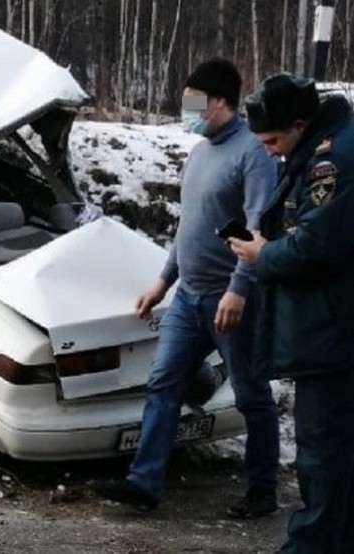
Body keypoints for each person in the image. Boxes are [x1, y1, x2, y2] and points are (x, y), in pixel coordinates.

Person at [90, 58, 281, 518]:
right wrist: (162, 282)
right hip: (188, 297)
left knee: (252, 392)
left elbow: (259, 230)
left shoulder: (252, 153)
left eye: (193, 100)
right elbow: (188, 227)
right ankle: (144, 482)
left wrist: (239, 288)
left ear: (218, 102)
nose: (186, 109)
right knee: (163, 382)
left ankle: (262, 490)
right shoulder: (198, 153)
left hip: (230, 299)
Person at [230, 74, 354, 553]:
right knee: (337, 459)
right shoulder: (324, 147)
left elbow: (316, 243)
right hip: (331, 331)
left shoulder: (333, 162)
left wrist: (264, 255)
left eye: (273, 140)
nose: (268, 151)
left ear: (300, 125)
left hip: (331, 337)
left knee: (322, 459)